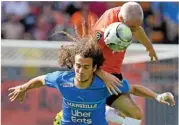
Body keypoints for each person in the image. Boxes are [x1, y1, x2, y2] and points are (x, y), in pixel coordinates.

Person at [54, 2, 176, 125]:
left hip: (114, 75)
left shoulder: (128, 15)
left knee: (135, 115)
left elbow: (137, 29)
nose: (133, 31)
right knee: (124, 114)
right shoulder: (101, 33)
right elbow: (86, 57)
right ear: (121, 20)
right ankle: (92, 111)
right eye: (132, 28)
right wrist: (104, 76)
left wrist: (149, 47)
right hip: (96, 76)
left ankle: (102, 112)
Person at [8, 35, 131, 125]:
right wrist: (23, 87)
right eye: (78, 65)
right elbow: (42, 79)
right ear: (73, 64)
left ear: (94, 67)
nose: (81, 70)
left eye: (86, 67)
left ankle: (108, 112)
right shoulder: (62, 79)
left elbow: (132, 89)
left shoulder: (101, 84)